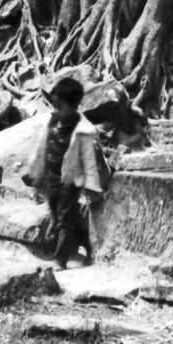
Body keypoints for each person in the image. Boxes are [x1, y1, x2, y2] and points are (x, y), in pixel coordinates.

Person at [33, 76, 110, 267]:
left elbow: (90, 161)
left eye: (61, 107)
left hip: (69, 181)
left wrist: (92, 187)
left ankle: (60, 259)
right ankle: (88, 244)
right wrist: (36, 174)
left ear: (74, 107)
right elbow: (40, 149)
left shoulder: (83, 131)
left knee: (64, 221)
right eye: (54, 106)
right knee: (64, 215)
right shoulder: (50, 123)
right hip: (51, 178)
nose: (56, 111)